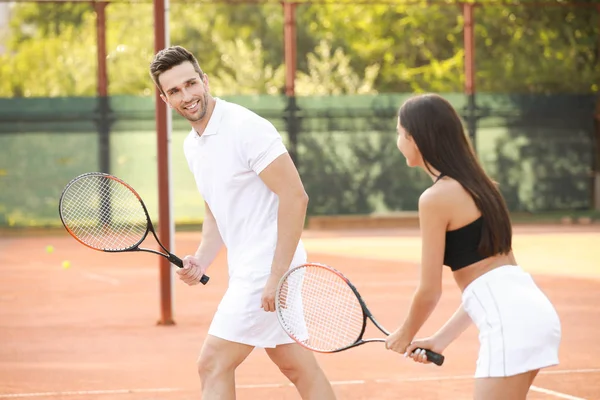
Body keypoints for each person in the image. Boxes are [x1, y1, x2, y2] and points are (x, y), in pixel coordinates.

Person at [149, 45, 336, 400]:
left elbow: (295, 197)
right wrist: (202, 258)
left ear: (205, 81)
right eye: (174, 90)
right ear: (164, 99)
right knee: (296, 365)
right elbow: (216, 211)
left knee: (212, 363)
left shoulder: (246, 127)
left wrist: (275, 275)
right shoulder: (193, 145)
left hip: (269, 265)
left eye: (191, 84)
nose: (186, 96)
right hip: (252, 266)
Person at [384, 93, 562, 399]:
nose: (398, 141)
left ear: (416, 139)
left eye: (399, 133)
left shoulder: (435, 198)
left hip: (510, 324)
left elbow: (429, 291)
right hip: (534, 313)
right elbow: (490, 281)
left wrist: (405, 333)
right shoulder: (483, 187)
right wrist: (439, 340)